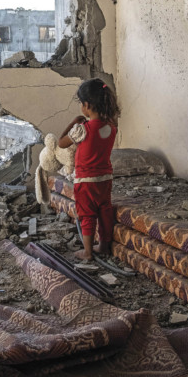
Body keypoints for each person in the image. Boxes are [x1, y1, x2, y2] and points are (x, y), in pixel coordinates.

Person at [58, 78, 120, 262]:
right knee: (104, 211)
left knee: (87, 214)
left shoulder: (82, 129)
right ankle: (103, 246)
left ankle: (87, 252)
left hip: (86, 181)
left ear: (86, 105)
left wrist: (73, 122)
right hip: (105, 179)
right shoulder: (111, 127)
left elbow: (61, 143)